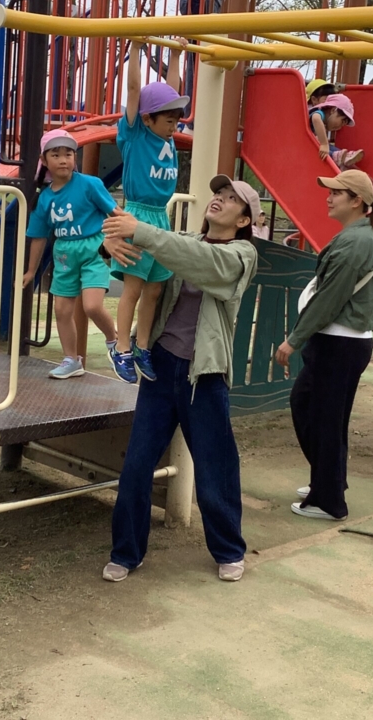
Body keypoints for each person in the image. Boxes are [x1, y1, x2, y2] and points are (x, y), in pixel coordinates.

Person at [100, 175, 260, 583]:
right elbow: (146, 260)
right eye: (218, 194)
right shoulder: (182, 240)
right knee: (137, 465)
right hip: (162, 366)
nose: (218, 200)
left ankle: (229, 549)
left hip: (203, 374)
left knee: (214, 467)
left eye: (231, 199)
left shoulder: (241, 255)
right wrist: (112, 241)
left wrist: (144, 233)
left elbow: (199, 261)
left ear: (244, 220)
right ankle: (126, 552)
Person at [276, 170, 373, 521]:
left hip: (339, 343)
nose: (329, 197)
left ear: (356, 201)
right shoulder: (360, 236)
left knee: (321, 415)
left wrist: (294, 340)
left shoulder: (355, 242)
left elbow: (329, 298)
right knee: (321, 413)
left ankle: (329, 500)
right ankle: (329, 482)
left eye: (336, 192)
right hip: (343, 342)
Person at [109, 39, 189, 384]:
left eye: (175, 121)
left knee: (155, 289)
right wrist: (136, 49)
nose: (173, 127)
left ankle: (142, 345)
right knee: (134, 288)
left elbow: (172, 92)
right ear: (147, 119)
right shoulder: (135, 135)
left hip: (161, 216)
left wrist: (176, 55)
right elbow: (133, 91)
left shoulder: (166, 136)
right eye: (168, 121)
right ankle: (121, 347)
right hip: (138, 214)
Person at [23, 129, 118, 379]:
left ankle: (114, 341)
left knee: (92, 306)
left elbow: (115, 213)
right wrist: (31, 271)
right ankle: (71, 360)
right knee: (62, 310)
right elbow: (39, 236)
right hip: (64, 252)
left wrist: (124, 236)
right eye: (56, 155)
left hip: (94, 248)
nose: (63, 160)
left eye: (68, 154)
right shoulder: (43, 198)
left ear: (75, 157)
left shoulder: (90, 184)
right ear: (44, 160)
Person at [309, 93, 364, 169]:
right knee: (327, 148)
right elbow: (315, 118)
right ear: (333, 110)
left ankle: (343, 157)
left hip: (311, 144)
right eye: (342, 121)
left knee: (330, 147)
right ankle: (338, 157)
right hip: (307, 146)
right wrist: (324, 143)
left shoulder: (324, 121)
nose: (340, 127)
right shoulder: (319, 113)